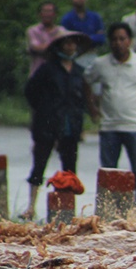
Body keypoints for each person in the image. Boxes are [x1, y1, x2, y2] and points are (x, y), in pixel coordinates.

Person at [84, 22, 136, 215]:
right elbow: (86, 80)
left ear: (129, 41)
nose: (118, 43)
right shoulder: (101, 64)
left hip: (135, 125)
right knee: (109, 173)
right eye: (114, 39)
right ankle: (109, 212)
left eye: (122, 39)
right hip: (109, 126)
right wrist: (92, 107)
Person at [21, 30, 92, 219]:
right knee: (39, 164)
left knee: (69, 166)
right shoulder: (47, 68)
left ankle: (67, 209)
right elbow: (31, 91)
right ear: (59, 46)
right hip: (47, 122)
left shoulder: (78, 70)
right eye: (66, 43)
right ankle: (31, 207)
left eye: (72, 43)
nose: (70, 47)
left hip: (70, 123)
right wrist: (44, 109)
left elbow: (82, 98)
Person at [60, 0, 106, 69]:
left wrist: (84, 38)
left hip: (92, 55)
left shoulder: (95, 17)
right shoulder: (67, 19)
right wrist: (91, 38)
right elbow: (67, 39)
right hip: (75, 57)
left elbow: (101, 38)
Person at [26, 1, 65, 77]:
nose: (47, 14)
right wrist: (55, 46)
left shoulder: (62, 30)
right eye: (45, 11)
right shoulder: (33, 30)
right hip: (37, 73)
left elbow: (64, 49)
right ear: (39, 14)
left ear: (55, 14)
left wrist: (48, 47)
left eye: (50, 11)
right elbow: (35, 47)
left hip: (57, 73)